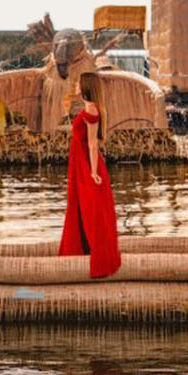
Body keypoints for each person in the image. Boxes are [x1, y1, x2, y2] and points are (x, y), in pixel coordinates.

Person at [59, 71, 122, 278]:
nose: (76, 85)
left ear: (86, 86)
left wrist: (93, 172)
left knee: (91, 206)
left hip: (87, 164)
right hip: (80, 163)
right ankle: (82, 248)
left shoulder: (92, 110)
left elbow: (93, 144)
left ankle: (97, 251)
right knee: (80, 205)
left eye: (78, 83)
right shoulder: (87, 108)